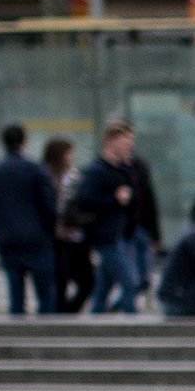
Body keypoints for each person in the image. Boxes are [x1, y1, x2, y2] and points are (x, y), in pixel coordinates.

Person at [0, 122, 60, 317]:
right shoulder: (36, 170)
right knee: (46, 295)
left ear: (2, 143)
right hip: (38, 240)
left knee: (16, 297)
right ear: (24, 142)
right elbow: (49, 207)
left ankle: (19, 340)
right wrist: (48, 229)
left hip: (8, 241)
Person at [71, 122, 145, 314]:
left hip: (120, 235)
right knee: (131, 284)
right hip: (106, 237)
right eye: (126, 141)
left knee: (102, 289)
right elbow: (85, 200)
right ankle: (133, 330)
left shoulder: (123, 169)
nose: (129, 146)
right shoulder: (97, 170)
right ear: (111, 141)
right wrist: (114, 198)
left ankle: (94, 324)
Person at [42, 136, 91, 315]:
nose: (72, 156)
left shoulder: (73, 176)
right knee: (60, 281)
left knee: (86, 281)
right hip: (55, 237)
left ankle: (66, 312)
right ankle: (60, 313)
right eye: (69, 153)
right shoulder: (44, 176)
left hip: (74, 235)